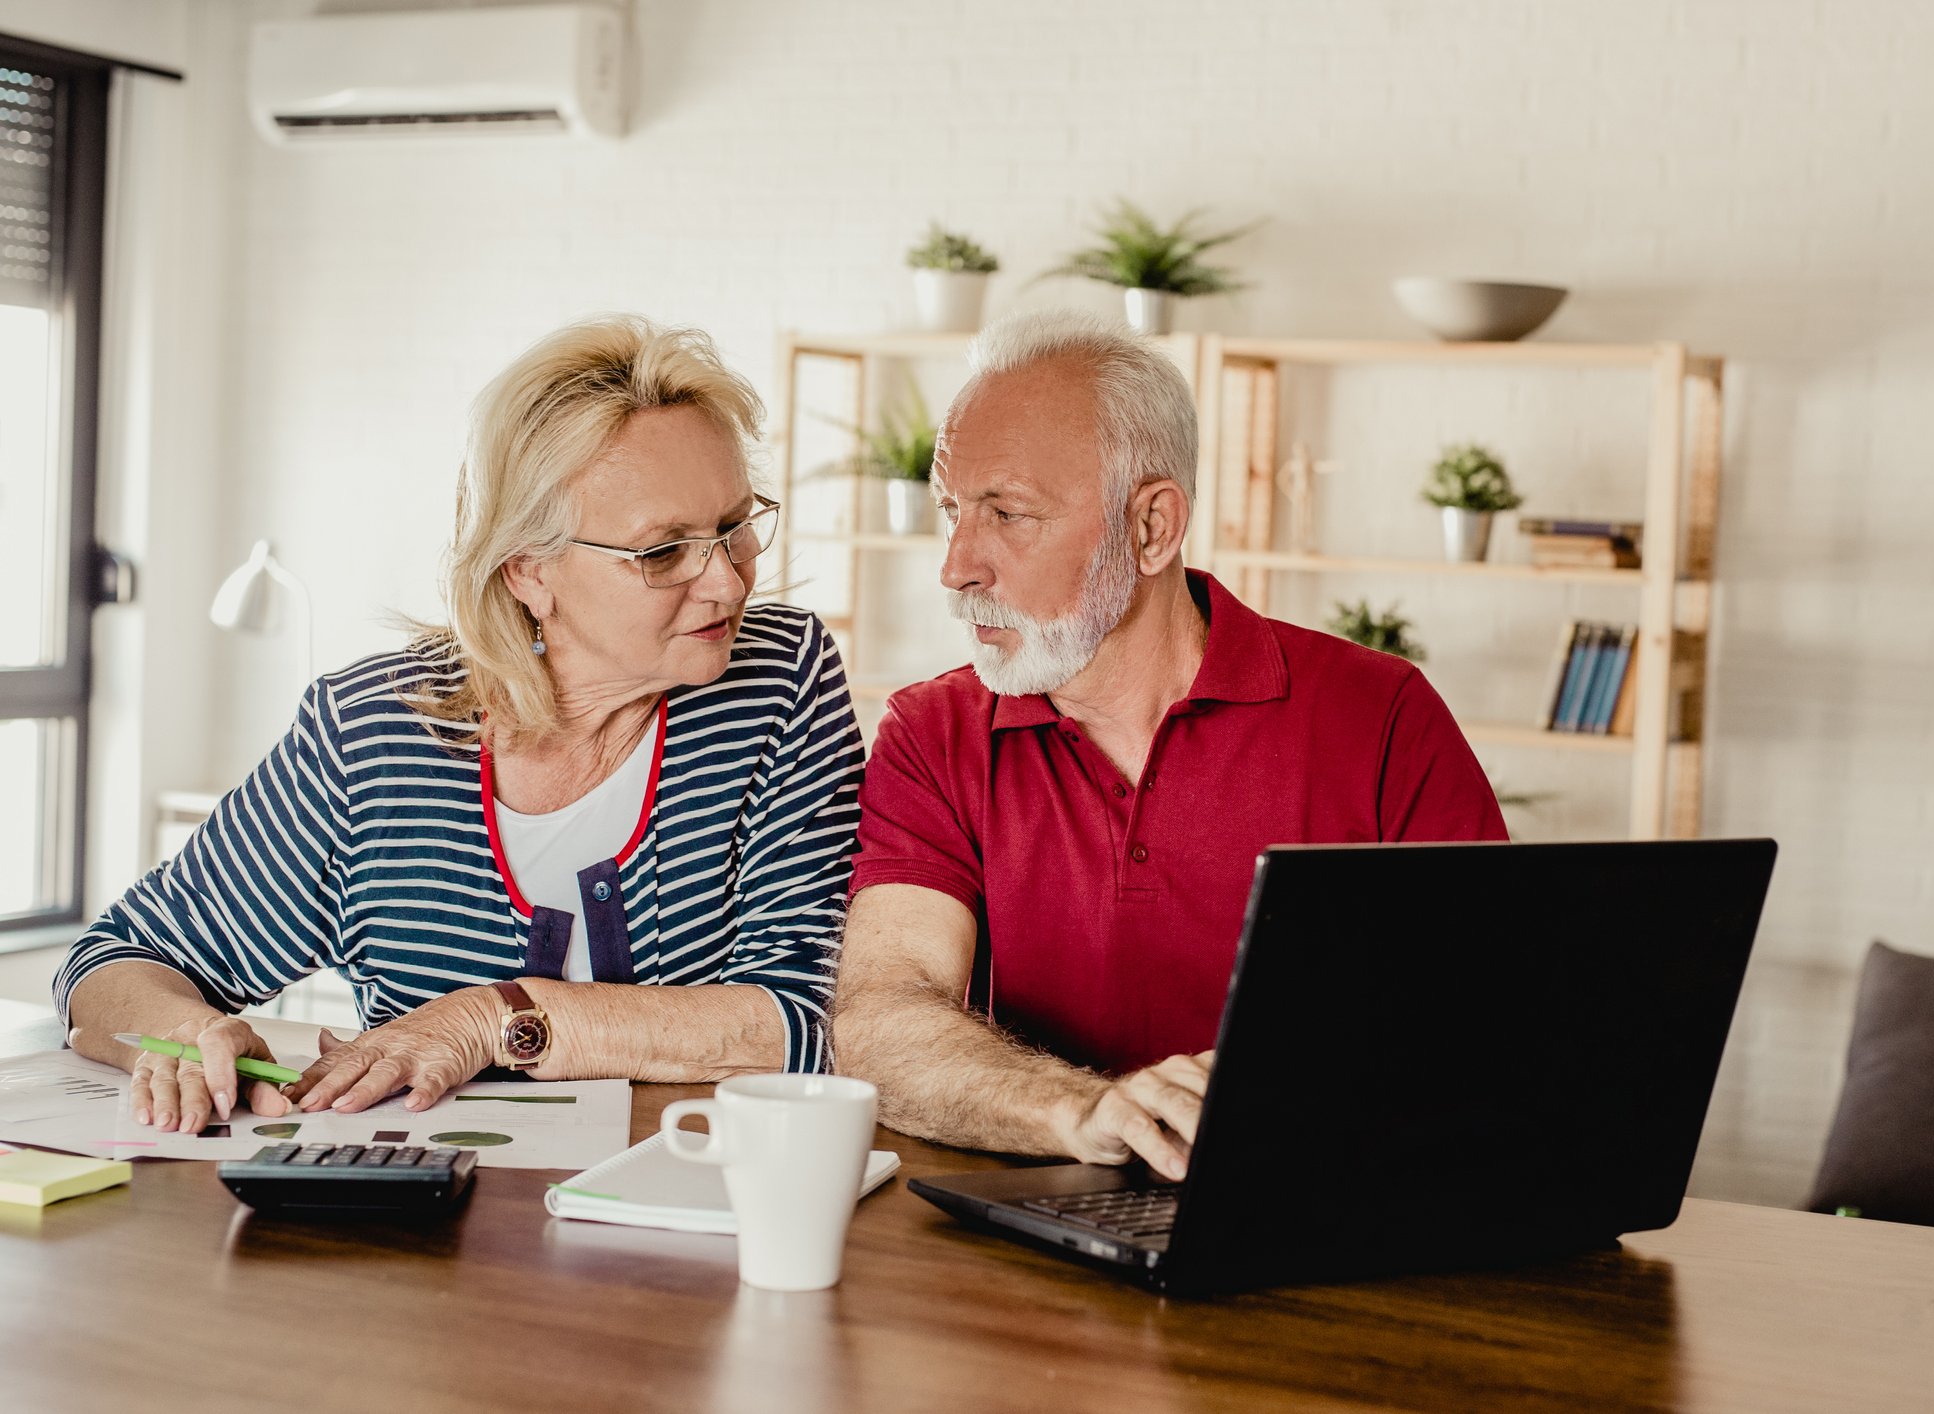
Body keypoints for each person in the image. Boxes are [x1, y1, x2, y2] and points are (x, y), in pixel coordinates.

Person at [58, 315, 864, 1133]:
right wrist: (188, 1035)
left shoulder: (778, 677)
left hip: (684, 1214)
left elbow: (808, 1019)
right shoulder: (370, 732)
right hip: (426, 1226)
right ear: (529, 569)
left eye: (735, 528)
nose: (728, 584)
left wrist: (491, 1019)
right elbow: (115, 958)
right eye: (663, 552)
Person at [832, 311, 1507, 1181]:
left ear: (1152, 527)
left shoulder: (1380, 716)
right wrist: (1083, 1113)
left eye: (1007, 514)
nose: (957, 566)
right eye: (952, 512)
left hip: (1315, 1211)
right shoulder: (933, 732)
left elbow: (1477, 1022)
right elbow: (883, 1019)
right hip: (1032, 1236)